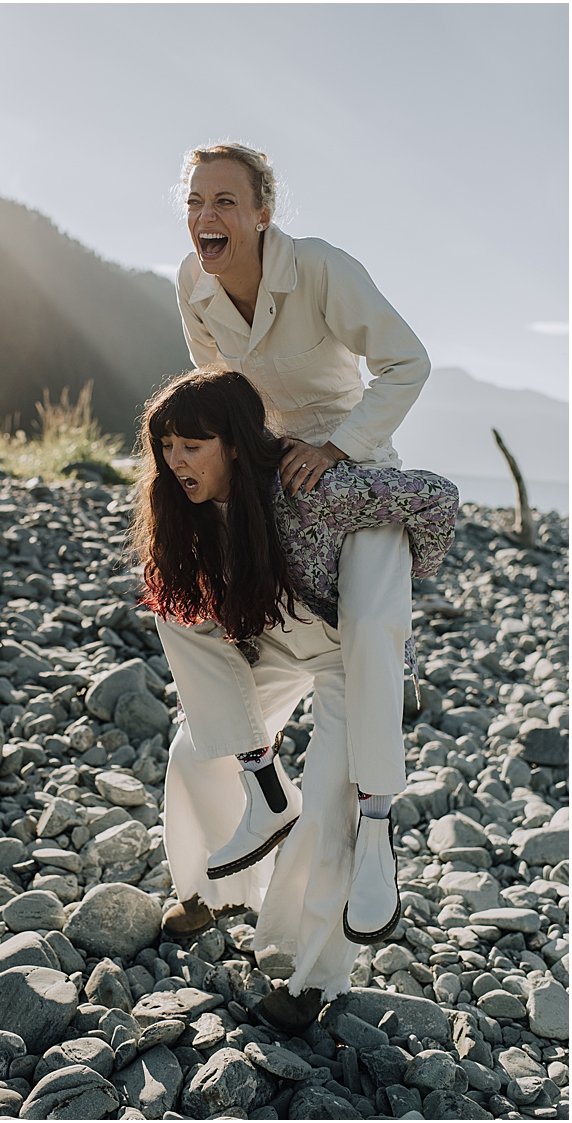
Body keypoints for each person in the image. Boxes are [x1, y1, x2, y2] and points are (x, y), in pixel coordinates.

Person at [133, 367, 457, 1034]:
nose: (177, 461)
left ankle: (311, 977)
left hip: (344, 652)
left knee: (330, 808)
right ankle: (212, 891)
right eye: (166, 446)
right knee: (196, 749)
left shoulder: (307, 488)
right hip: (274, 645)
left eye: (192, 444)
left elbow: (437, 499)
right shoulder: (182, 514)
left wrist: (388, 582)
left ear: (233, 442)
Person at [169, 141, 432, 936]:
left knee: (373, 628)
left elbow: (407, 362)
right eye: (193, 202)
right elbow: (218, 399)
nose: (205, 217)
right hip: (266, 485)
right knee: (182, 617)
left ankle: (379, 825)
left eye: (223, 201)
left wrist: (339, 447)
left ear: (261, 213)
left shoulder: (319, 268)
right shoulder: (192, 285)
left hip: (353, 474)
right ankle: (215, 878)